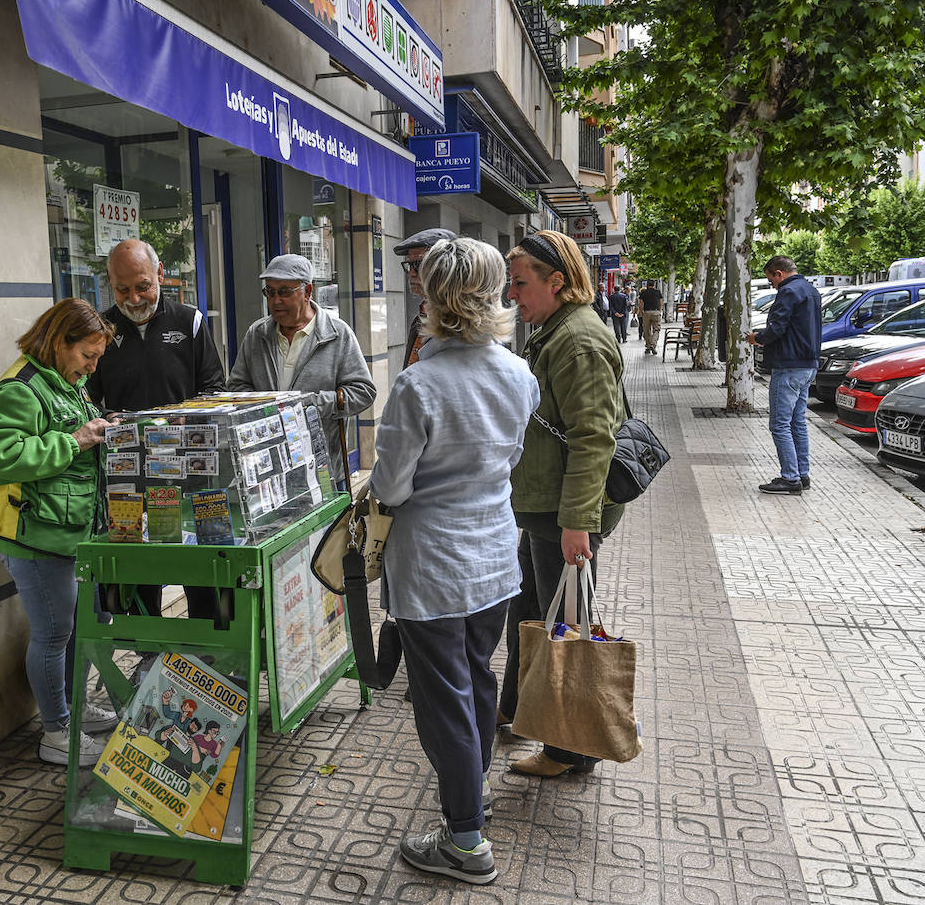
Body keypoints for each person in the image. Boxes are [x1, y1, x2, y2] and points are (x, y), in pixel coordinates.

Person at [370, 238, 540, 885]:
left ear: (430, 296)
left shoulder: (419, 385)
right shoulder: (517, 374)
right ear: (496, 293)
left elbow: (390, 488)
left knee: (443, 699)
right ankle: (472, 796)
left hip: (433, 566)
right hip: (494, 557)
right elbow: (509, 460)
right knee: (476, 680)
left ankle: (465, 839)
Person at [498, 230, 627, 778]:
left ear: (557, 281)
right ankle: (524, 713)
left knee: (565, 626)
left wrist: (577, 523)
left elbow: (595, 436)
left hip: (563, 515)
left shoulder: (576, 341)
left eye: (521, 283)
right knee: (533, 612)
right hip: (546, 509)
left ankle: (568, 749)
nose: (512, 295)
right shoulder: (553, 331)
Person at [0, 299, 120, 767]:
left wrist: (102, 430)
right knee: (54, 631)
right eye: (88, 356)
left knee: (79, 628)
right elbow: (2, 460)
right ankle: (56, 732)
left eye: (98, 358)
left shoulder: (63, 381)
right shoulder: (17, 388)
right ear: (60, 342)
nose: (92, 367)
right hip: (32, 534)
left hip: (69, 529)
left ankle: (73, 709)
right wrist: (76, 440)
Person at [85, 238, 225, 619]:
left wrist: (190, 415)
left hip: (192, 473)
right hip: (127, 476)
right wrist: (103, 421)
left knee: (205, 567)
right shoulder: (101, 330)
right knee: (134, 572)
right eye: (122, 289)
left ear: (160, 273)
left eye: (142, 286)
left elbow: (215, 389)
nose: (133, 298)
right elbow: (87, 397)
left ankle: (211, 651)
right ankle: (144, 651)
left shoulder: (189, 321)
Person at [228, 253, 376, 489]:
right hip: (270, 472)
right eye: (270, 292)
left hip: (322, 468)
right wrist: (264, 409)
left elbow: (363, 392)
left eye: (285, 291)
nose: (276, 301)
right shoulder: (257, 334)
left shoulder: (337, 334)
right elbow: (237, 387)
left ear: (307, 292)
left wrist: (309, 405)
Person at [748, 256, 822, 495]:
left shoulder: (788, 292)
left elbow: (778, 327)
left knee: (780, 424)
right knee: (797, 421)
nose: (773, 285)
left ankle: (790, 478)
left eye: (772, 280)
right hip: (808, 364)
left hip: (788, 365)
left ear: (778, 273)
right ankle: (802, 473)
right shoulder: (811, 290)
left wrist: (757, 338)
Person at [395, 227, 458, 370]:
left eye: (419, 264)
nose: (411, 273)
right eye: (409, 265)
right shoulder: (420, 317)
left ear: (446, 267)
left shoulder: (461, 321)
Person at [637, 281, 663, 353]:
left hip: (647, 312)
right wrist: (659, 311)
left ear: (647, 285)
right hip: (656, 312)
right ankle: (653, 344)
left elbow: (641, 303)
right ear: (654, 285)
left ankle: (648, 346)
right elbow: (661, 302)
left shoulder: (643, 293)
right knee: (656, 329)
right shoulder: (658, 292)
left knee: (646, 330)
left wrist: (641, 311)